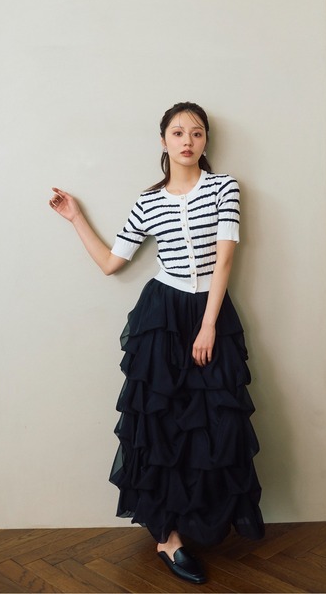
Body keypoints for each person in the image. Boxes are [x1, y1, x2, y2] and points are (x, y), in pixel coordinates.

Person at [49, 101, 265, 585]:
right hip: (161, 318)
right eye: (178, 132)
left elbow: (225, 260)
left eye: (197, 132)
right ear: (163, 141)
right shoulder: (148, 203)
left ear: (205, 141)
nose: (188, 140)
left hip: (209, 313)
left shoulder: (224, 188)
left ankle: (204, 519)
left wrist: (208, 325)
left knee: (217, 421)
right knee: (159, 424)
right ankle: (167, 538)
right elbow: (112, 263)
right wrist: (76, 217)